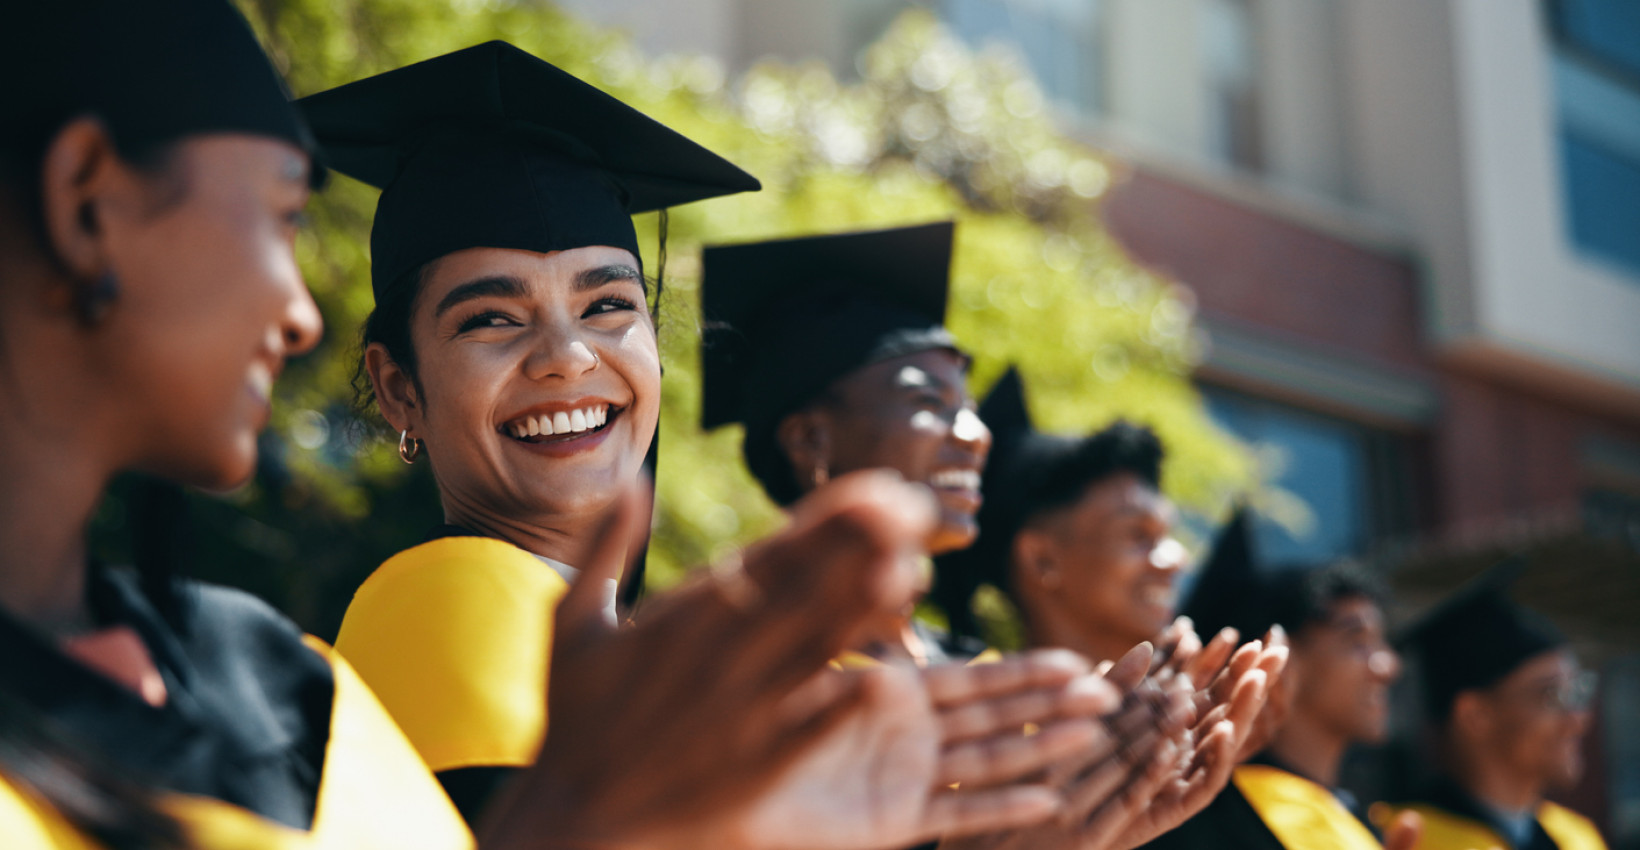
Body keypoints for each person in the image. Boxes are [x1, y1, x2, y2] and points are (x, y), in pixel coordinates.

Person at [308, 43, 1122, 849]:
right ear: (400, 389)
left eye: (607, 306)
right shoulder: (452, 592)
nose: (568, 355)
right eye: (491, 318)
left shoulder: (637, 644)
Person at [1146, 520, 1404, 850]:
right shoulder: (1214, 823)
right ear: (1279, 656)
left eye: (1381, 642)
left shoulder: (1361, 819)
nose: (1389, 667)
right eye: (1357, 640)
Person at [931, 368, 1191, 665]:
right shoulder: (956, 704)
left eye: (1165, 535)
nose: (1177, 559)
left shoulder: (1180, 708)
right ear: (1041, 558)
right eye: (1138, 534)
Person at [1381, 563, 1606, 850]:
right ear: (1475, 715)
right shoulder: (1407, 838)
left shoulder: (1576, 837)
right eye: (1552, 695)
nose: (1577, 719)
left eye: (1575, 692)